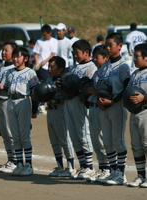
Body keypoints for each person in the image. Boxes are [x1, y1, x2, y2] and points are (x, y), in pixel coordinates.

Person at [0, 47, 39, 176]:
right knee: (15, 136)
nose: (15, 59)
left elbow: (35, 92)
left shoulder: (30, 73)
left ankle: (28, 165)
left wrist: (34, 110)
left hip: (23, 102)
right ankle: (19, 164)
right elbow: (10, 88)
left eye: (18, 56)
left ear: (25, 58)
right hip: (11, 102)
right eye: (14, 56)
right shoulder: (10, 73)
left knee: (24, 135)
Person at [96, 33, 130, 185]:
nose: (108, 48)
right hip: (105, 108)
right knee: (107, 141)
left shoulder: (124, 66)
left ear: (120, 46)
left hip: (117, 106)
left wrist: (112, 100)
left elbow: (127, 88)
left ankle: (121, 174)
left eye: (111, 45)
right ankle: (114, 171)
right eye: (106, 45)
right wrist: (100, 100)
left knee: (118, 140)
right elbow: (100, 87)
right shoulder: (104, 65)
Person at [61, 39, 97, 179]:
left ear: (86, 52)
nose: (75, 56)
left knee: (83, 134)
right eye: (73, 53)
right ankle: (82, 166)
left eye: (77, 53)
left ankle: (89, 167)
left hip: (81, 105)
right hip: (69, 103)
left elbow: (88, 86)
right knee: (74, 136)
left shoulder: (91, 67)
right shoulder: (73, 68)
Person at [46, 56, 75, 177]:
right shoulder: (48, 80)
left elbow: (68, 94)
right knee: (54, 141)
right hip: (50, 111)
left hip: (61, 111)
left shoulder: (65, 80)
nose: (49, 69)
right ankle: (59, 167)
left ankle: (70, 167)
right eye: (49, 66)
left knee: (64, 140)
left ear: (60, 69)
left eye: (52, 66)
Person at [86, 45, 110, 182]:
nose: (94, 60)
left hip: (103, 108)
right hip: (93, 107)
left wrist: (96, 92)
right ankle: (101, 168)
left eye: (97, 57)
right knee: (95, 140)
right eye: (93, 57)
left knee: (103, 139)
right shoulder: (96, 73)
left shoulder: (108, 73)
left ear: (106, 58)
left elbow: (109, 91)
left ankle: (108, 168)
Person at [124, 43, 147, 188]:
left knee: (146, 144)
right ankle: (141, 176)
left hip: (145, 111)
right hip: (134, 113)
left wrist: (144, 98)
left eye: (137, 56)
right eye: (133, 56)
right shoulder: (134, 74)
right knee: (136, 146)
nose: (134, 59)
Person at [0, 42, 17, 173]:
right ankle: (10, 160)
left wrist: (3, 87)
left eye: (6, 50)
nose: (3, 52)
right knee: (4, 133)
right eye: (2, 50)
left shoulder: (14, 69)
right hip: (0, 102)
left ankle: (15, 161)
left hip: (9, 102)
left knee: (10, 132)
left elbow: (16, 89)